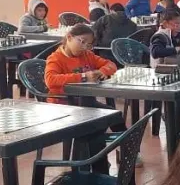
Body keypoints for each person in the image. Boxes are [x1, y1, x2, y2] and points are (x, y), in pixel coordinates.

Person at [44, 23, 122, 172]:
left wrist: (101, 71)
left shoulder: (87, 55)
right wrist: (83, 77)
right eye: (82, 41)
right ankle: (94, 166)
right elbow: (50, 80)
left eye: (89, 44)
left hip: (85, 103)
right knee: (95, 127)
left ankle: (127, 151)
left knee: (115, 115)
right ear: (69, 38)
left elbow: (111, 64)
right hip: (63, 105)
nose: (85, 46)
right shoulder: (56, 58)